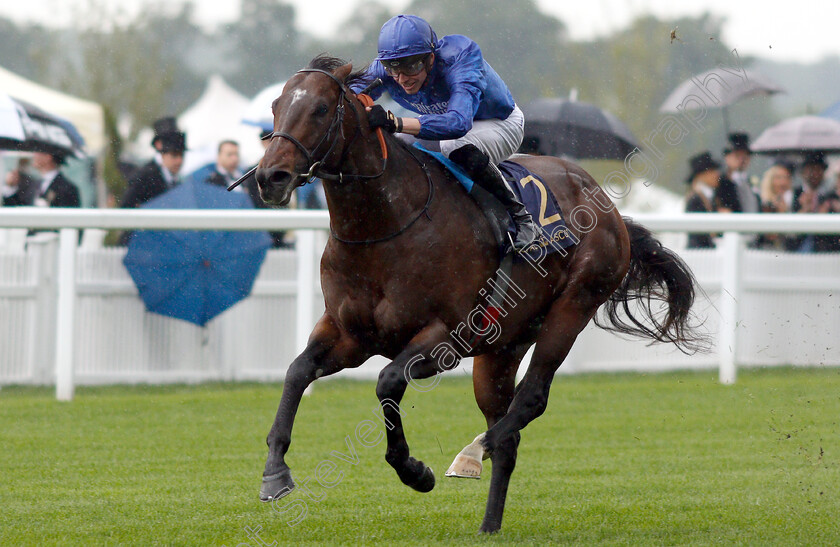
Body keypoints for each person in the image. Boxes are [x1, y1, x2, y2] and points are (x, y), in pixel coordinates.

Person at [349, 14, 539, 251]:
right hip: (446, 125)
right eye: (393, 69)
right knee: (395, 143)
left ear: (430, 58)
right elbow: (349, 96)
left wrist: (395, 122)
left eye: (412, 67)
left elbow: (459, 124)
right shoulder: (387, 69)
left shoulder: (461, 56)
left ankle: (521, 218)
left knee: (452, 145)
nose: (402, 79)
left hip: (500, 123)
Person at [120, 126, 186, 209]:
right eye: (174, 155)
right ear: (162, 154)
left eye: (182, 155)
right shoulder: (145, 177)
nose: (179, 161)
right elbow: (126, 207)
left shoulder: (178, 179)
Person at [755, 161, 796, 251]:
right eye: (778, 178)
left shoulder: (793, 201)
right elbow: (770, 234)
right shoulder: (764, 203)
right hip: (766, 249)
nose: (782, 182)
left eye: (786, 178)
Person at [792, 151, 828, 252]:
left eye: (819, 170)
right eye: (812, 169)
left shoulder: (829, 196)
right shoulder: (794, 194)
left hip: (823, 251)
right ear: (803, 172)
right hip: (797, 249)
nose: (815, 174)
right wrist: (804, 210)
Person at [715, 132, 759, 213]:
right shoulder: (721, 183)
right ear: (727, 157)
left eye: (746, 156)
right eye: (737, 155)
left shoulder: (750, 182)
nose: (742, 159)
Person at [684, 151, 721, 249]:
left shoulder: (709, 198)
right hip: (700, 252)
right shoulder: (695, 200)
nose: (716, 174)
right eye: (711, 171)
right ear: (701, 175)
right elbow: (698, 234)